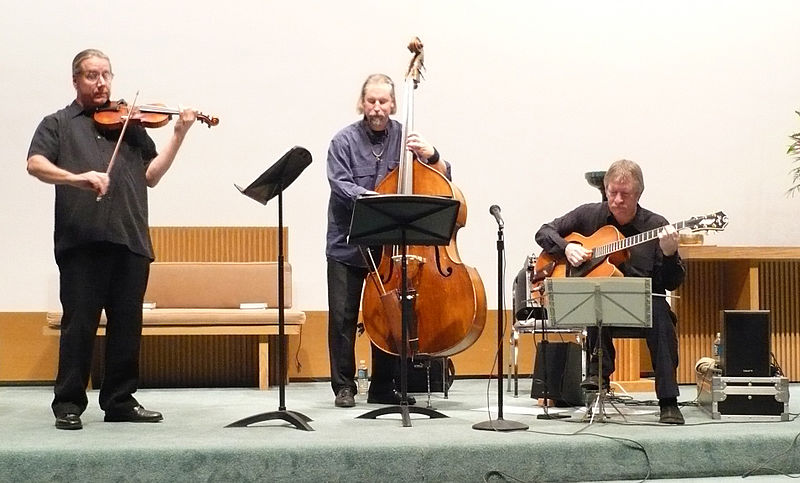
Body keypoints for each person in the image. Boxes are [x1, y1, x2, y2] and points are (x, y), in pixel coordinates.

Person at [26, 49, 198, 430]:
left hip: (130, 239)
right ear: (76, 80)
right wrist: (76, 178)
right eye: (91, 75)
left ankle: (120, 399)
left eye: (105, 75)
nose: (101, 82)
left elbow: (151, 175)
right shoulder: (58, 123)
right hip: (82, 242)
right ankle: (69, 403)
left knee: (127, 326)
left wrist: (179, 134)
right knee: (79, 324)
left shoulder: (131, 127)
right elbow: (34, 163)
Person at [325, 73, 451, 408]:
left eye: (383, 101)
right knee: (343, 318)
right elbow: (340, 184)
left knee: (390, 313)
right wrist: (375, 199)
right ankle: (344, 387)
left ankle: (383, 386)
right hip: (349, 242)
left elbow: (443, 179)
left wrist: (433, 154)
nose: (377, 108)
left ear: (393, 104)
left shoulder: (406, 139)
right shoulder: (343, 142)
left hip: (391, 247)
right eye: (371, 101)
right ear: (361, 103)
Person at [534, 159, 686, 424]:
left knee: (661, 314)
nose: (616, 199)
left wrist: (671, 254)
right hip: (601, 307)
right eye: (611, 192)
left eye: (624, 194)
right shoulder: (588, 215)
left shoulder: (656, 225)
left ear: (638, 194)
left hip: (645, 306)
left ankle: (669, 401)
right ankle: (597, 378)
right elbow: (544, 232)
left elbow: (672, 282)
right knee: (597, 297)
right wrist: (567, 247)